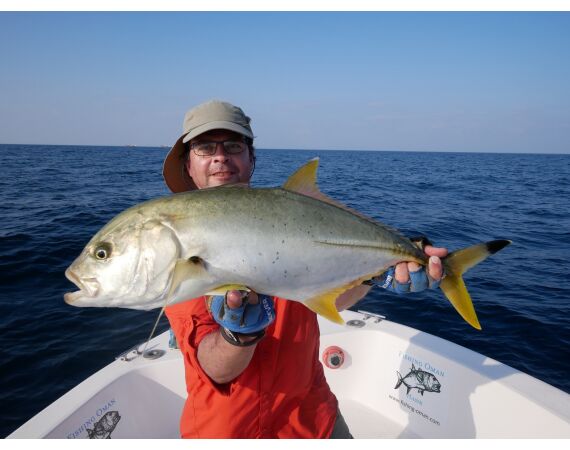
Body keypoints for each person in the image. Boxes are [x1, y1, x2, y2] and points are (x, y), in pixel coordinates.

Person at [162, 100, 447, 438]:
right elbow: (216, 369)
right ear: (188, 165)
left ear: (250, 158)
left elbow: (336, 300)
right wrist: (238, 335)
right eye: (205, 147)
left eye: (234, 145)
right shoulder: (177, 241)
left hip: (313, 421)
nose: (220, 156)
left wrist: (380, 271)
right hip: (227, 431)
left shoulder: (295, 219)